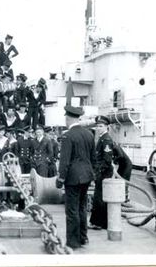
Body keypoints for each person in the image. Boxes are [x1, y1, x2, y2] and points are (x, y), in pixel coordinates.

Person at [55, 106, 95, 249]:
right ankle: (83, 237)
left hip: (73, 178)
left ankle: (73, 242)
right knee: (82, 208)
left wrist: (60, 179)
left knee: (72, 210)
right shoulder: (89, 134)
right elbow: (93, 158)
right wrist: (92, 174)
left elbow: (64, 161)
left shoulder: (68, 136)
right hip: (86, 176)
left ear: (68, 118)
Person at [89, 115, 114, 230]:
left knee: (100, 197)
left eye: (101, 126)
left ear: (107, 127)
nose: (98, 128)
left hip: (103, 173)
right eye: (97, 126)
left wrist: (98, 172)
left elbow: (107, 160)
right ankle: (101, 222)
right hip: (101, 172)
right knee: (99, 197)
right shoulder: (102, 138)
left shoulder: (106, 139)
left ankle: (99, 223)